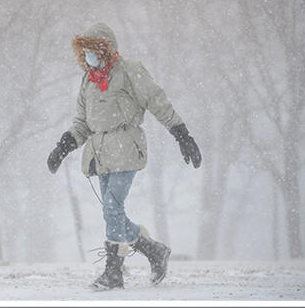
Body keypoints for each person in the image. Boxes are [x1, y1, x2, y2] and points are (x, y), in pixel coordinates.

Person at [47, 22, 201, 290]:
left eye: (92, 51)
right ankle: (153, 250)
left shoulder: (130, 71)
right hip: (100, 153)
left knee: (112, 207)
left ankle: (113, 273)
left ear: (104, 49)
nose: (88, 57)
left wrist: (181, 134)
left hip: (126, 146)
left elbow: (157, 101)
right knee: (111, 211)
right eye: (84, 52)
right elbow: (83, 122)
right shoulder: (88, 79)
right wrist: (64, 145)